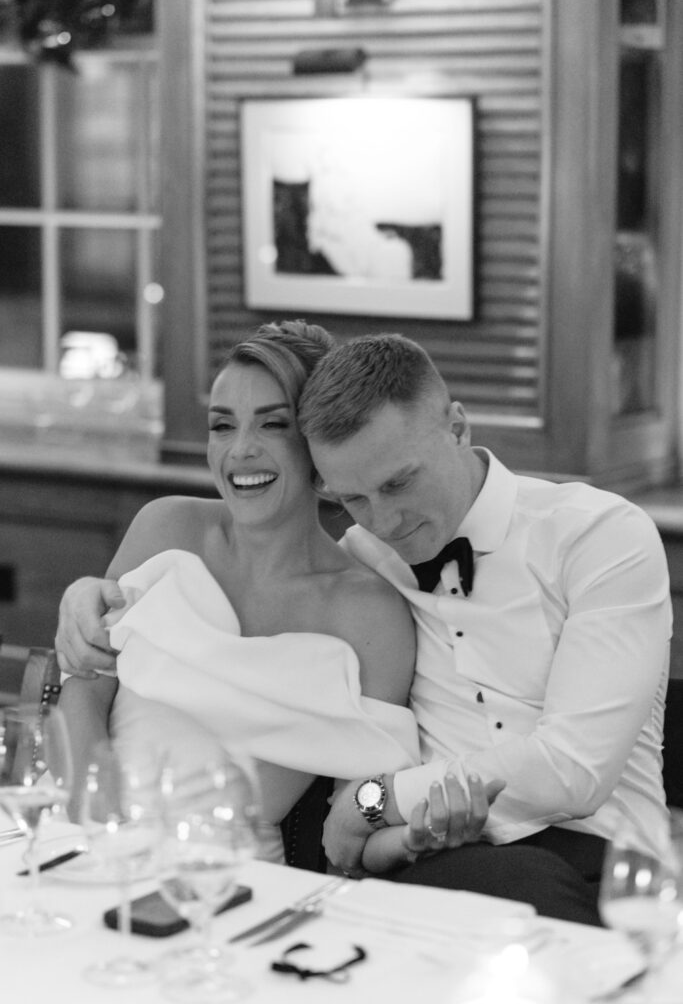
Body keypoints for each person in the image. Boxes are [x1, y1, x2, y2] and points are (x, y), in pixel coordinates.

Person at [57, 321, 495, 871]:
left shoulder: (369, 613)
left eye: (273, 425)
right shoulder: (164, 528)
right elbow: (84, 681)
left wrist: (410, 838)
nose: (241, 451)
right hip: (87, 834)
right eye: (222, 426)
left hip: (232, 879)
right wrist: (91, 804)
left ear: (319, 445)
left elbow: (360, 808)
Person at [294, 332, 672, 923]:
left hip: (606, 859)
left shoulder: (599, 536)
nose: (384, 521)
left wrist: (376, 802)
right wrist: (102, 594)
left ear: (458, 428)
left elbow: (574, 771)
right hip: (438, 864)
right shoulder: (360, 559)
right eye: (354, 499)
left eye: (398, 483)